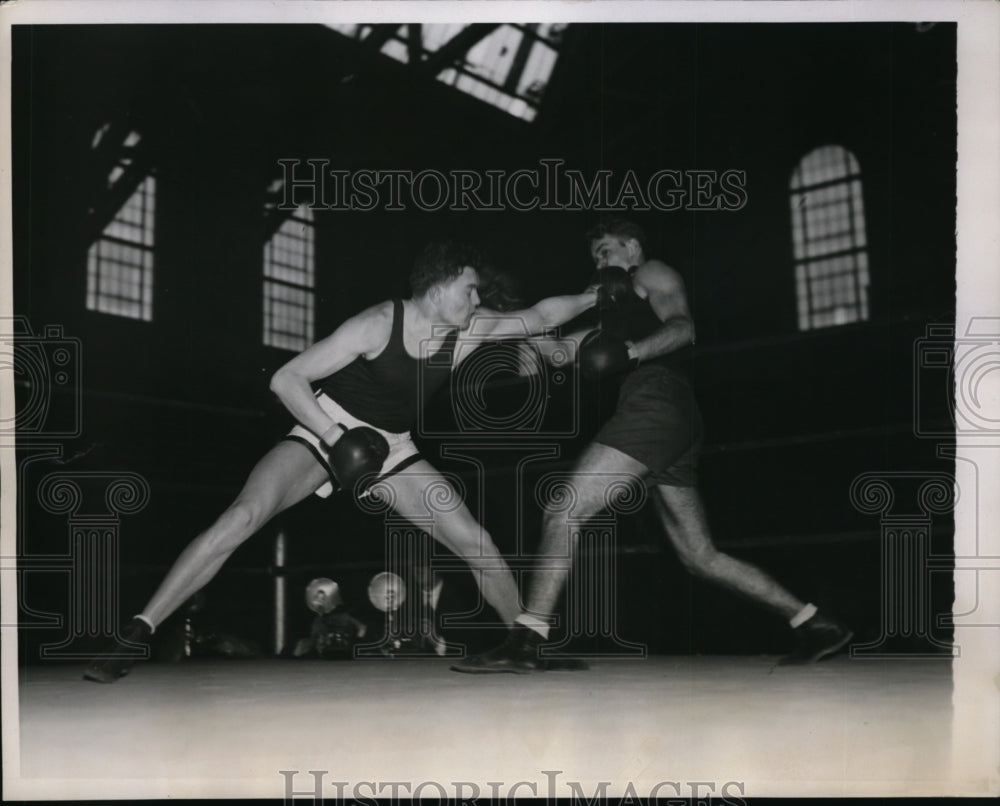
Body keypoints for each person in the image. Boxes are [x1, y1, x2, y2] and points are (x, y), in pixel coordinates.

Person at [84, 240, 597, 683]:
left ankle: (526, 647)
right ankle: (134, 634)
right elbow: (286, 378)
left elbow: (543, 317)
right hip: (325, 429)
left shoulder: (470, 330)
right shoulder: (375, 324)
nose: (477, 298)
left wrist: (601, 295)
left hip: (393, 448)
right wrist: (337, 438)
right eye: (469, 289)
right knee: (241, 517)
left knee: (475, 541)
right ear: (438, 288)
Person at [452, 218, 853, 674]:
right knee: (700, 556)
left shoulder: (652, 273)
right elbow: (556, 354)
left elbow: (683, 328)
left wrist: (631, 354)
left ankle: (527, 639)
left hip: (656, 402)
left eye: (605, 251)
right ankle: (815, 623)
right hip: (670, 419)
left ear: (632, 247)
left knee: (565, 507)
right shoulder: (615, 313)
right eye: (594, 256)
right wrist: (509, 324)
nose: (598, 262)